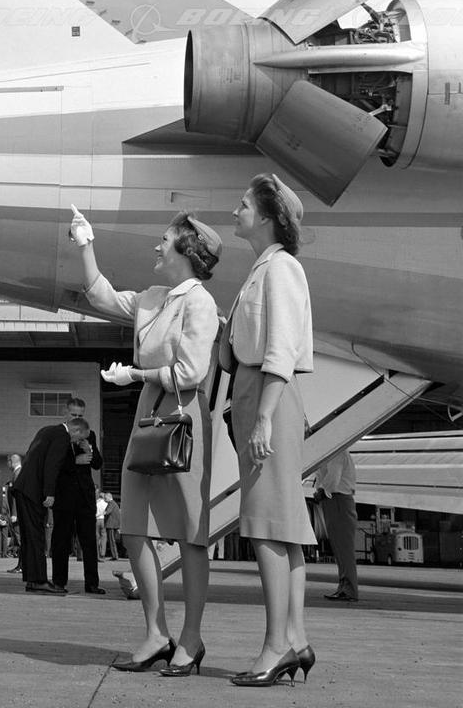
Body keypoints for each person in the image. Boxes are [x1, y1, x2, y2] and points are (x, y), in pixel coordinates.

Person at [74, 204, 221, 674]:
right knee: (133, 526)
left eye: (164, 239)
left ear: (186, 249)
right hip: (149, 413)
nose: (156, 246)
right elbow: (102, 296)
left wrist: (135, 374)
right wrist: (85, 244)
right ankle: (157, 634)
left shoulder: (200, 303)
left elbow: (191, 373)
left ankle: (191, 639)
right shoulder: (153, 297)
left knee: (191, 532)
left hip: (182, 417)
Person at [220, 174, 317, 687]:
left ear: (266, 217)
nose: (235, 212)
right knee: (282, 526)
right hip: (258, 390)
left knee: (266, 526)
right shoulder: (263, 269)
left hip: (269, 394)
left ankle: (277, 646)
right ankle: (294, 639)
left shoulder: (281, 268)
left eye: (243, 205)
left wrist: (262, 416)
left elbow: (281, 346)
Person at [13, 416, 91, 594]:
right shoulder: (62, 437)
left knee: (29, 537)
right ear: (76, 430)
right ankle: (39, 580)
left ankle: (32, 579)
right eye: (79, 438)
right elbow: (52, 464)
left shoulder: (46, 430)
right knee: (37, 536)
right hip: (34, 491)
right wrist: (49, 492)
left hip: (23, 487)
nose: (76, 442)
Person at [51, 397, 105, 595]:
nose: (76, 418)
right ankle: (59, 581)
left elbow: (97, 463)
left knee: (89, 540)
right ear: (65, 413)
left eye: (80, 415)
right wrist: (75, 461)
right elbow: (53, 464)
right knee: (61, 539)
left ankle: (92, 583)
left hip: (85, 496)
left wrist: (89, 449)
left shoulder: (89, 434)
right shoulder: (58, 434)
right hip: (64, 495)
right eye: (73, 414)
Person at [314, 449, 359, 602]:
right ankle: (344, 587)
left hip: (338, 499)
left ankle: (349, 589)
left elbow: (333, 477)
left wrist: (321, 491)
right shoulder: (332, 451)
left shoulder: (336, 451)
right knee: (340, 548)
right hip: (334, 500)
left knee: (344, 548)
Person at [5, 453, 23, 571]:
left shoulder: (17, 473)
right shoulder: (18, 473)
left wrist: (15, 513)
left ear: (11, 461)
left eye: (8, 462)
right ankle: (21, 565)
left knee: (20, 539)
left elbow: (17, 496)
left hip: (18, 513)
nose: (7, 465)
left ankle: (21, 566)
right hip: (19, 512)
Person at [103, 493, 122, 561]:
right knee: (112, 541)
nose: (104, 499)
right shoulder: (113, 503)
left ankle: (115, 556)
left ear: (109, 497)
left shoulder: (111, 503)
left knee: (111, 541)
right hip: (113, 525)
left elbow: (108, 512)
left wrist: (102, 513)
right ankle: (115, 555)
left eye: (105, 498)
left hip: (111, 525)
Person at [95, 491, 109, 559]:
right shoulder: (106, 503)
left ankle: (97, 553)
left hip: (97, 520)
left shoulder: (96, 503)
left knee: (97, 537)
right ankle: (103, 553)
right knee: (104, 537)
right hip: (104, 520)